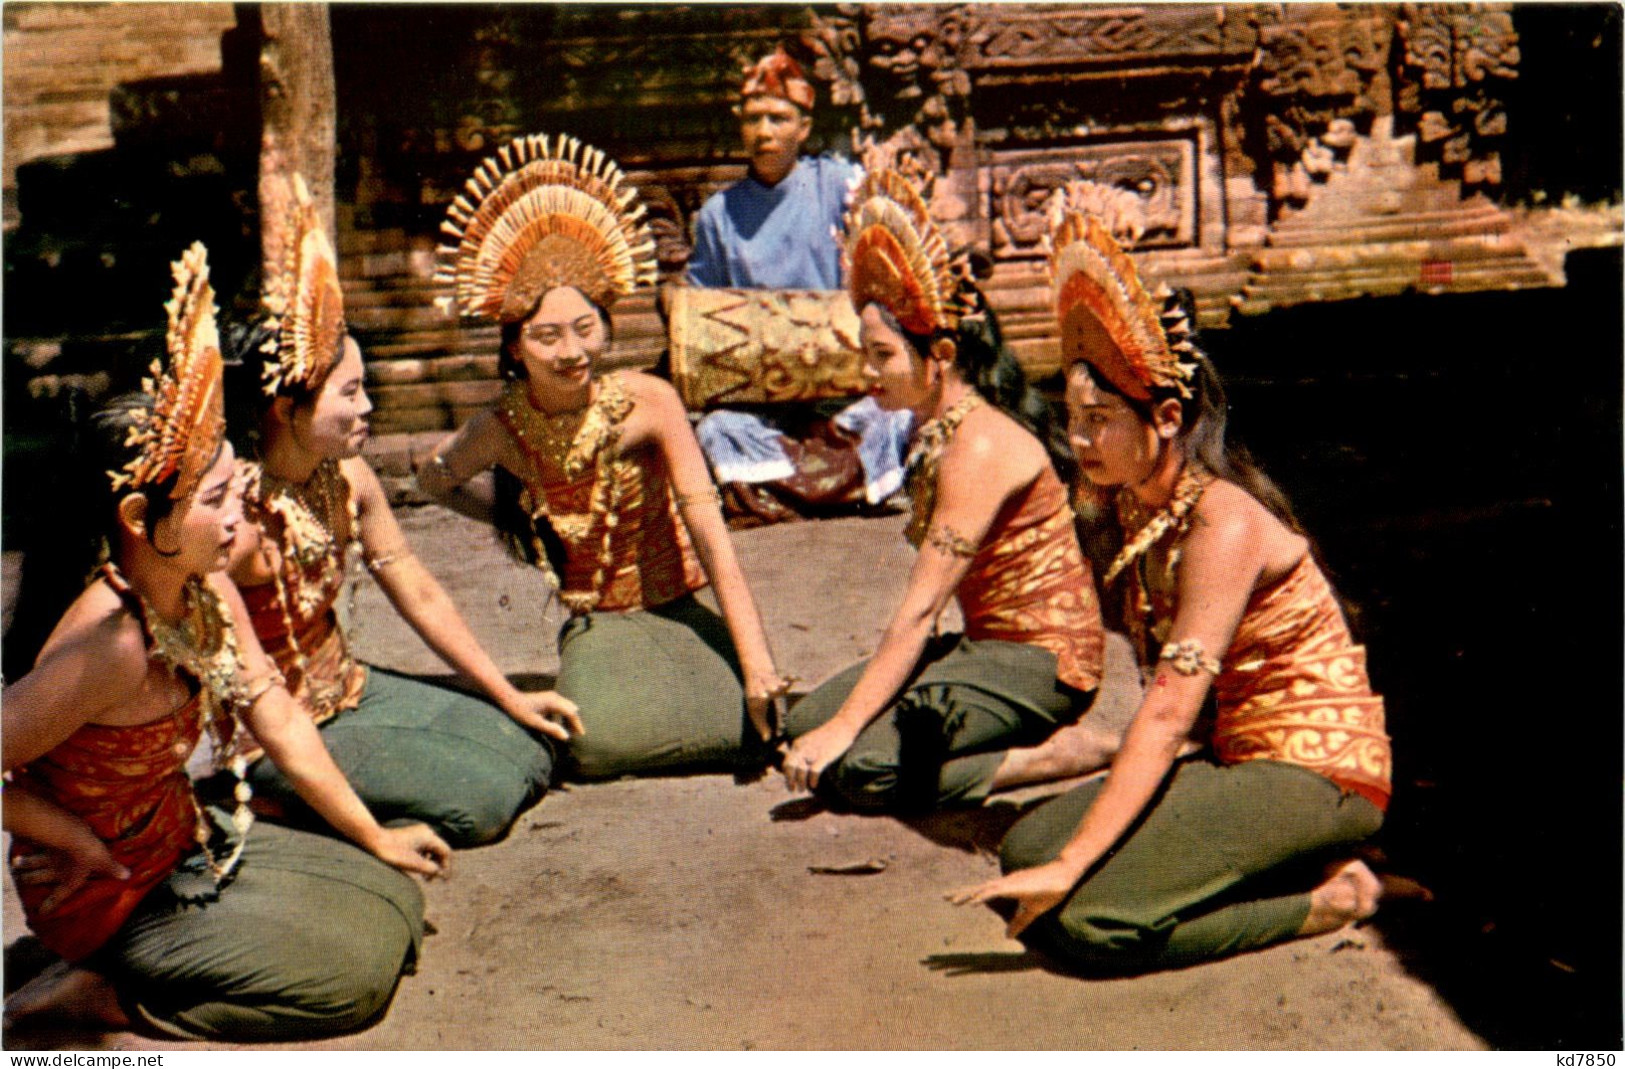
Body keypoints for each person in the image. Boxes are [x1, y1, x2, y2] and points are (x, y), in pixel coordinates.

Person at [3, 244, 450, 1040]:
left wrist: (374, 833)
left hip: (179, 845)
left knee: (391, 906)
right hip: (103, 892)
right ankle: (100, 995)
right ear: (141, 520)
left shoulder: (201, 586)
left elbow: (274, 710)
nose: (243, 512)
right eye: (219, 498)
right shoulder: (110, 641)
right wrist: (68, 838)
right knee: (345, 985)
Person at [949, 200, 1398, 974]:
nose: (1080, 440)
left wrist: (1076, 864)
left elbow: (1163, 714)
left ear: (1163, 416)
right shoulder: (1138, 504)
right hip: (1237, 756)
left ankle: (1330, 897)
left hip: (1314, 766)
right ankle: (1278, 856)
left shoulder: (1222, 521)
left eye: (1099, 421)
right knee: (1026, 842)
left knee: (1086, 922)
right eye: (1072, 418)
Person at [223, 176, 579, 849]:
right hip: (270, 731)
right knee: (483, 803)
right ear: (285, 410)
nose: (367, 410)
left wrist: (508, 694)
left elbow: (415, 587)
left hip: (350, 687)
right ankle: (281, 806)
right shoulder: (230, 522)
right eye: (351, 394)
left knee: (530, 750)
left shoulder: (349, 478)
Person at [420, 133, 788, 780]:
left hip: (679, 600)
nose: (571, 352)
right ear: (512, 348)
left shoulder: (650, 402)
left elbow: (710, 533)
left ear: (606, 326)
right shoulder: (501, 426)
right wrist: (516, 519)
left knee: (761, 726)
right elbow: (433, 476)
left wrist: (756, 663)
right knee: (593, 749)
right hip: (599, 617)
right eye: (546, 336)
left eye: (585, 329)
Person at [779, 169, 1112, 813]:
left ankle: (1060, 755)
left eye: (882, 355)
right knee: (805, 723)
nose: (867, 373)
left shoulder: (979, 444)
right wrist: (832, 725)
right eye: (865, 354)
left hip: (1044, 663)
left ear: (942, 354)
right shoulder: (931, 428)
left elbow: (922, 612)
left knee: (860, 765)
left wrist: (846, 730)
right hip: (984, 647)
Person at [685, 46, 911, 518]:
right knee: (715, 430)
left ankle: (780, 493)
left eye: (777, 118)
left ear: (803, 127)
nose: (763, 132)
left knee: (896, 415)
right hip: (764, 401)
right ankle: (841, 491)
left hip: (842, 390)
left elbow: (885, 252)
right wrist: (674, 303)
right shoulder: (718, 215)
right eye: (752, 119)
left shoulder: (838, 186)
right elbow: (700, 303)